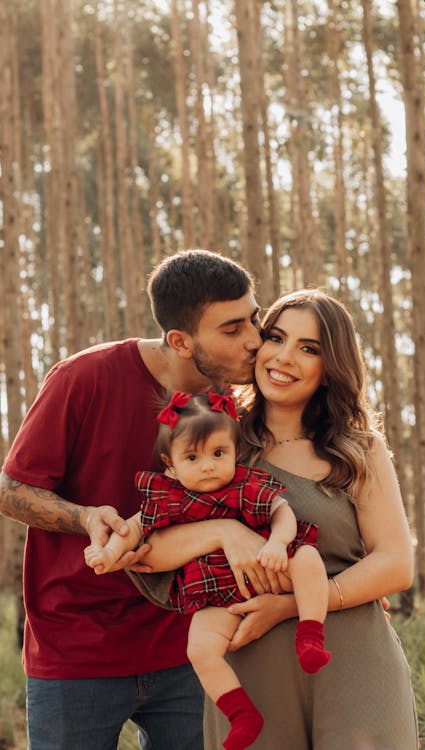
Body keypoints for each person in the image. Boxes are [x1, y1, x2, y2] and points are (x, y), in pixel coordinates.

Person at [0, 249, 278, 750]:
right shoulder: (81, 379)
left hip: (192, 647)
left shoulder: (233, 403)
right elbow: (11, 491)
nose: (256, 341)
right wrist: (84, 517)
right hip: (77, 649)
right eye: (233, 329)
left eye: (253, 318)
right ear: (179, 340)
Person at [130, 289, 419, 750]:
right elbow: (149, 551)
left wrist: (291, 604)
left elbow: (395, 564)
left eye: (309, 348)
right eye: (276, 337)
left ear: (331, 369)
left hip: (351, 659)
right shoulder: (217, 442)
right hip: (250, 669)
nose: (284, 357)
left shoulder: (358, 450)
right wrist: (225, 531)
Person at [85, 389, 331, 750]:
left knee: (308, 558)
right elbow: (132, 529)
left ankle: (311, 634)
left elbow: (282, 512)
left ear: (235, 452)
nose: (207, 466)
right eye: (192, 457)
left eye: (219, 453)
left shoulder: (245, 484)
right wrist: (107, 554)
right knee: (199, 649)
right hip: (216, 597)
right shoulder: (168, 497)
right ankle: (241, 712)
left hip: (270, 564)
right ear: (170, 464)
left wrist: (279, 543)